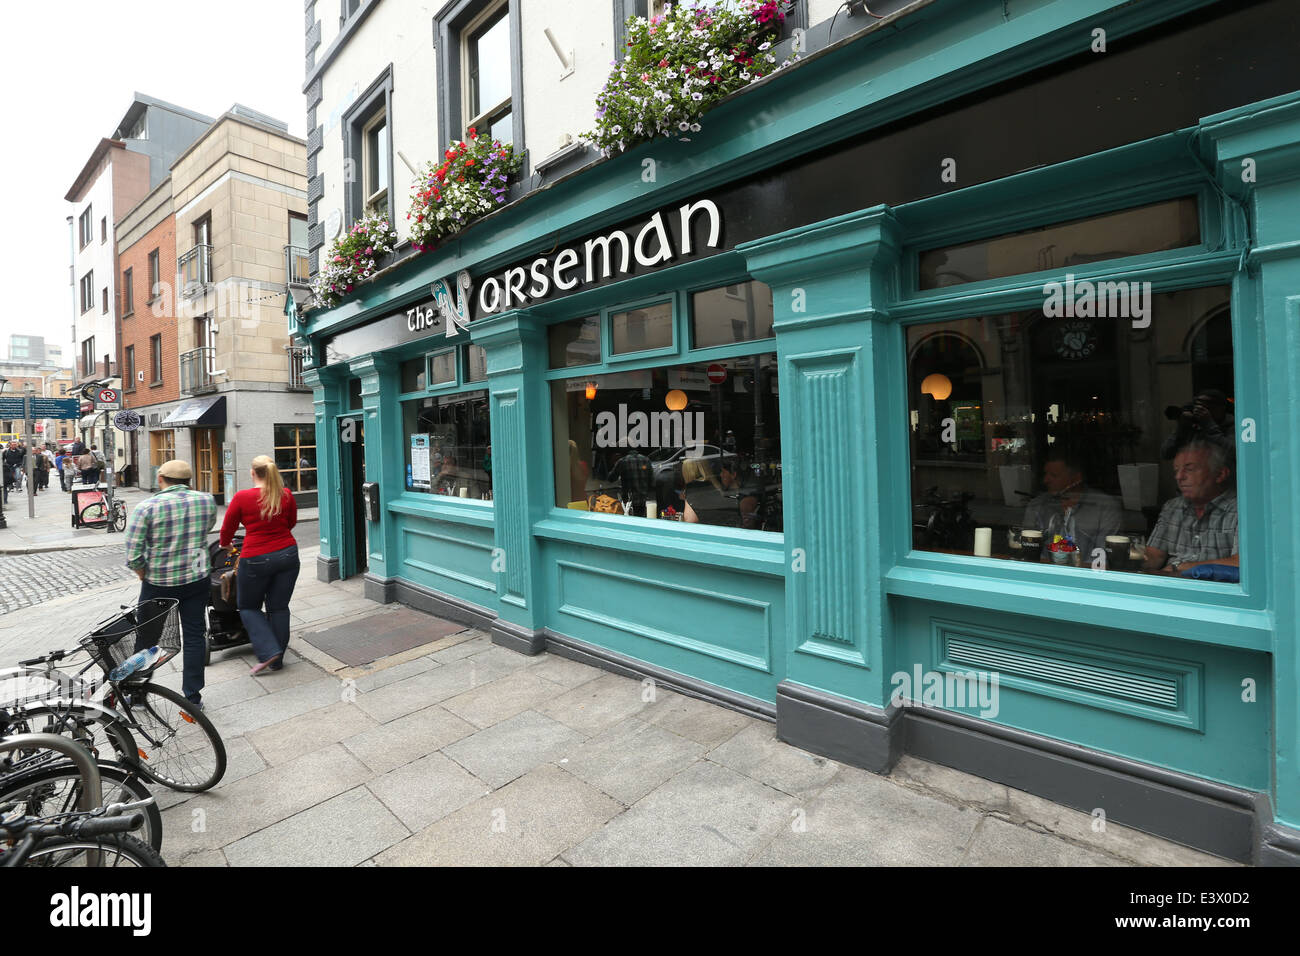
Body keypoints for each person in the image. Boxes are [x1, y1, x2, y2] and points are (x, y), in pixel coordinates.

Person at [123, 459, 217, 708]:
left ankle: (139, 694)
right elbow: (206, 529)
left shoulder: (147, 506)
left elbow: (133, 551)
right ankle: (193, 697)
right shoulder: (206, 500)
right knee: (195, 635)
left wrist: (142, 573)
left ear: (161, 479)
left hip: (159, 581)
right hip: (196, 578)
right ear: (189, 480)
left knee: (148, 638)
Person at [220, 454, 300, 675]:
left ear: (253, 473)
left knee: (248, 607)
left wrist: (226, 546)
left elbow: (226, 531)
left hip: (255, 558)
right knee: (279, 608)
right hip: (288, 554)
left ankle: (268, 650)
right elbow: (291, 522)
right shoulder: (285, 494)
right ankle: (277, 660)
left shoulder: (242, 497)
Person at [1143, 439, 1238, 575]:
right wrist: (1123, 557)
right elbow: (1154, 556)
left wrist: (1181, 568)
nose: (1179, 476)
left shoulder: (1241, 510)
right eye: (1176, 470)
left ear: (1220, 474)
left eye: (1190, 469)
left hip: (1215, 591)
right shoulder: (1172, 507)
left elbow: (1243, 563)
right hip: (1170, 586)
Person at [1021, 452, 1122, 562]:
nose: (1046, 480)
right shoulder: (1037, 505)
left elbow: (1104, 559)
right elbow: (1027, 551)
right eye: (1046, 474)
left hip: (1087, 577)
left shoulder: (1104, 507)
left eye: (1054, 475)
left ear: (1076, 479)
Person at [1160, 389, 1233, 460]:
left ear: (1221, 408)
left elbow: (1234, 452)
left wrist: (1209, 425)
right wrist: (1182, 429)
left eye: (1206, 406)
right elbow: (1166, 454)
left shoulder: (1233, 425)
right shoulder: (1194, 427)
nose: (1200, 411)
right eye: (1197, 406)